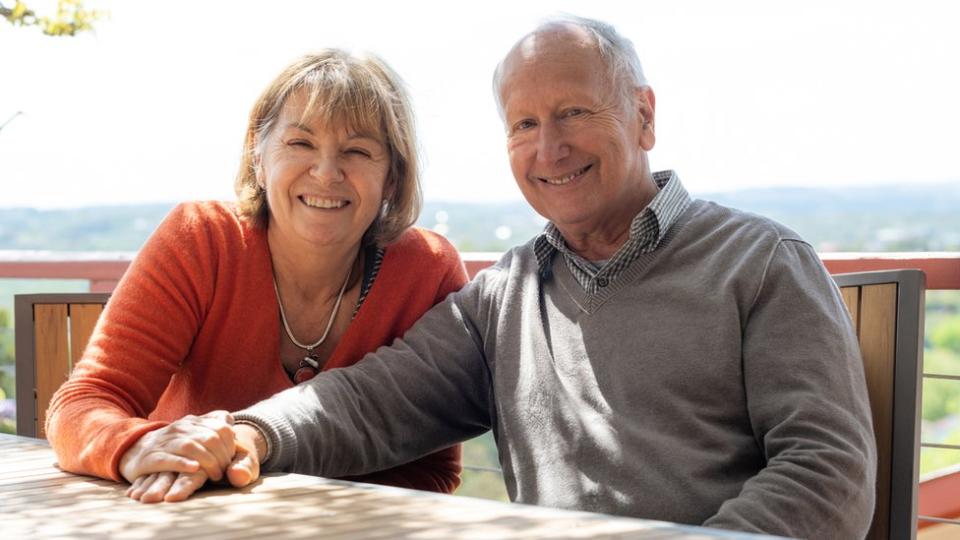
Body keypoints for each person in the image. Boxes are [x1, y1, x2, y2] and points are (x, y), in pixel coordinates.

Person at [143, 15, 876, 538]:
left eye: (572, 114)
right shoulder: (507, 294)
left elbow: (825, 472)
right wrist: (249, 434)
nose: (548, 148)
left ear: (644, 117)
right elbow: (369, 401)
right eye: (523, 125)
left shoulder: (761, 262)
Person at [45, 49, 467, 503]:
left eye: (358, 151)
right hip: (179, 516)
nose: (326, 173)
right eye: (300, 143)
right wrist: (136, 446)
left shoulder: (429, 269)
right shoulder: (201, 240)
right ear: (259, 156)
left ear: (392, 178)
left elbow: (432, 467)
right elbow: (85, 403)